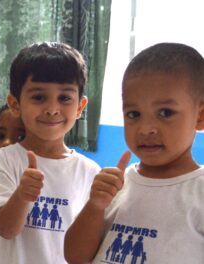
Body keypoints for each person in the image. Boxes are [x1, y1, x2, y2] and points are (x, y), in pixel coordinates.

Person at [64, 43, 204, 263]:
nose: (146, 128)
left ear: (200, 117)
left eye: (165, 112)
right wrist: (95, 206)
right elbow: (75, 257)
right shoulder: (117, 185)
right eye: (133, 114)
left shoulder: (199, 192)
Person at [0, 42, 101, 264]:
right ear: (15, 104)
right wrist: (22, 196)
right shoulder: (3, 160)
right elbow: (6, 229)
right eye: (38, 97)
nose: (52, 109)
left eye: (64, 98)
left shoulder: (90, 173)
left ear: (80, 107)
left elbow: (88, 247)